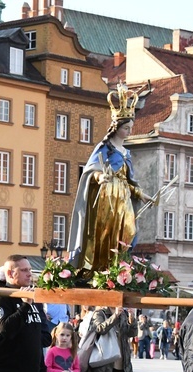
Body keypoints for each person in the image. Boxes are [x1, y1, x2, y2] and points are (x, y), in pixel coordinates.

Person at [67, 83, 153, 274]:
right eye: (126, 128)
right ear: (116, 127)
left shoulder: (126, 153)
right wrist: (99, 176)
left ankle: (120, 267)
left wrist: (140, 193)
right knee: (105, 234)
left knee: (129, 232)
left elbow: (127, 180)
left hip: (123, 197)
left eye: (131, 128)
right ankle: (101, 268)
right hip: (107, 197)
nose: (129, 132)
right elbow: (91, 169)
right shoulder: (105, 147)